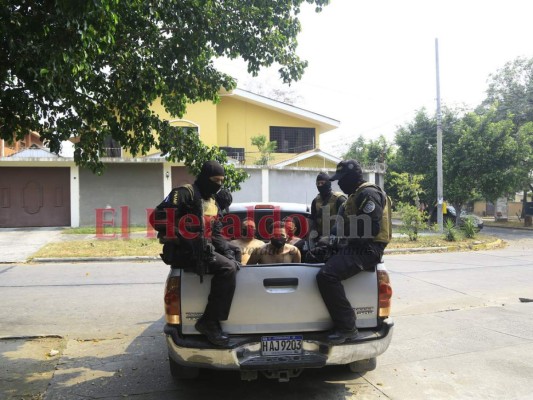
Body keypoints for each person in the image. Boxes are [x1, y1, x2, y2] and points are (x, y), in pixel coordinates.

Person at [150, 161, 239, 346]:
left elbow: (216, 234)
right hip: (185, 251)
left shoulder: (213, 202)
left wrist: (229, 252)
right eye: (215, 180)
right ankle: (208, 322)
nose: (219, 184)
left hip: (204, 250)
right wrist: (186, 238)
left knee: (235, 256)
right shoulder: (184, 193)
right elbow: (159, 218)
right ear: (205, 177)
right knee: (227, 269)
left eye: (222, 181)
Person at [316, 160, 391, 344]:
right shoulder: (353, 196)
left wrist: (341, 244)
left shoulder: (368, 193)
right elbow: (339, 228)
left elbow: (368, 231)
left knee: (326, 275)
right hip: (357, 246)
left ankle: (347, 327)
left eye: (342, 179)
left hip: (368, 249)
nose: (339, 183)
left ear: (352, 178)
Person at [310, 172, 347, 240]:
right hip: (319, 238)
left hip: (335, 238)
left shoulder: (339, 199)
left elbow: (346, 220)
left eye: (322, 183)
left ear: (328, 183)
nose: (320, 185)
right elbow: (313, 220)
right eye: (318, 183)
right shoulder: (315, 201)